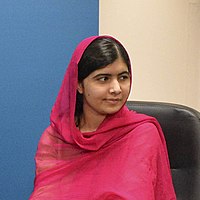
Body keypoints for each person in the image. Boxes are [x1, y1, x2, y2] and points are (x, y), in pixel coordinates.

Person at [29, 35, 176, 199]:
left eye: (123, 77)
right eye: (104, 79)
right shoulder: (55, 140)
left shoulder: (143, 135)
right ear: (79, 84)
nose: (116, 88)